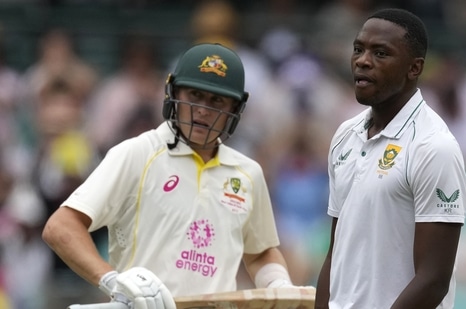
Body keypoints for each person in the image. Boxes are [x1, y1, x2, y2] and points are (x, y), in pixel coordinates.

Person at [42, 43, 293, 309]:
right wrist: (114, 283)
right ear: (174, 94)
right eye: (195, 95)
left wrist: (278, 284)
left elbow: (261, 252)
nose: (204, 110)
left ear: (234, 109)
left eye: (217, 100)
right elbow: (60, 227)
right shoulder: (138, 153)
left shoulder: (247, 173)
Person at [315, 8, 466, 309]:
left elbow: (433, 279)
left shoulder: (434, 148)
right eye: (358, 49)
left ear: (414, 68)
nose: (362, 60)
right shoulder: (345, 135)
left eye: (381, 53)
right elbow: (336, 252)